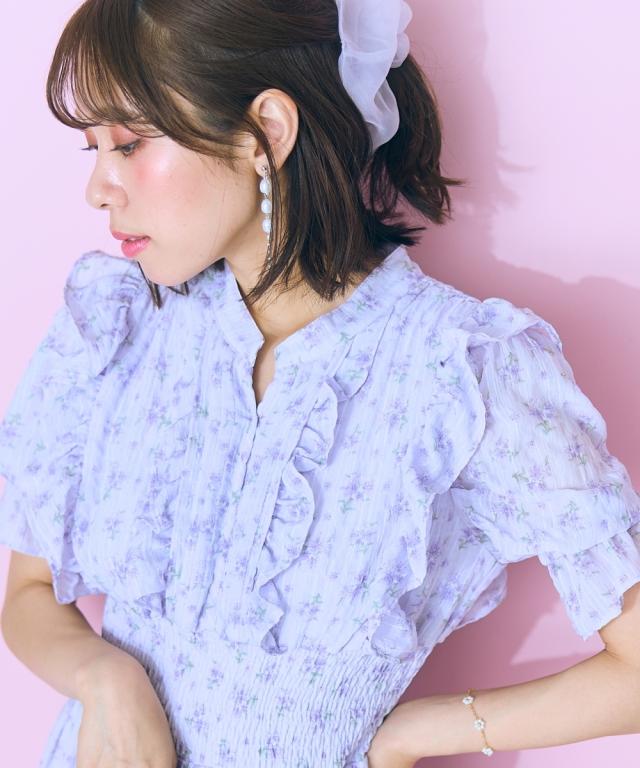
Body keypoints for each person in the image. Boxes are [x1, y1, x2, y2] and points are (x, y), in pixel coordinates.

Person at [1, 1, 639, 767]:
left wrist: (414, 734)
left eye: (131, 143)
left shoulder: (462, 370)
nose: (99, 189)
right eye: (93, 148)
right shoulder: (118, 324)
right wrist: (106, 679)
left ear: (266, 130)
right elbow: (27, 590)